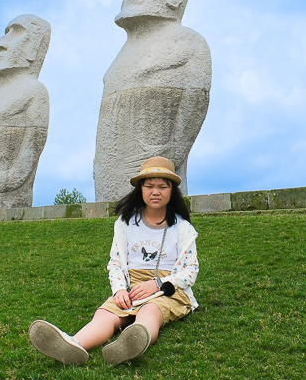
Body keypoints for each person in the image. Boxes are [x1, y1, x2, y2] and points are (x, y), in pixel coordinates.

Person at [29, 156, 199, 366]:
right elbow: (116, 263)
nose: (156, 192)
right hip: (131, 287)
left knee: (151, 311)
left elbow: (190, 271)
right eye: (149, 186)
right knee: (105, 314)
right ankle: (73, 344)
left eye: (163, 187)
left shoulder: (183, 228)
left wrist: (157, 284)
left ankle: (132, 341)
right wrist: (119, 290)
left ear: (172, 191)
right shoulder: (126, 223)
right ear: (141, 190)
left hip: (167, 288)